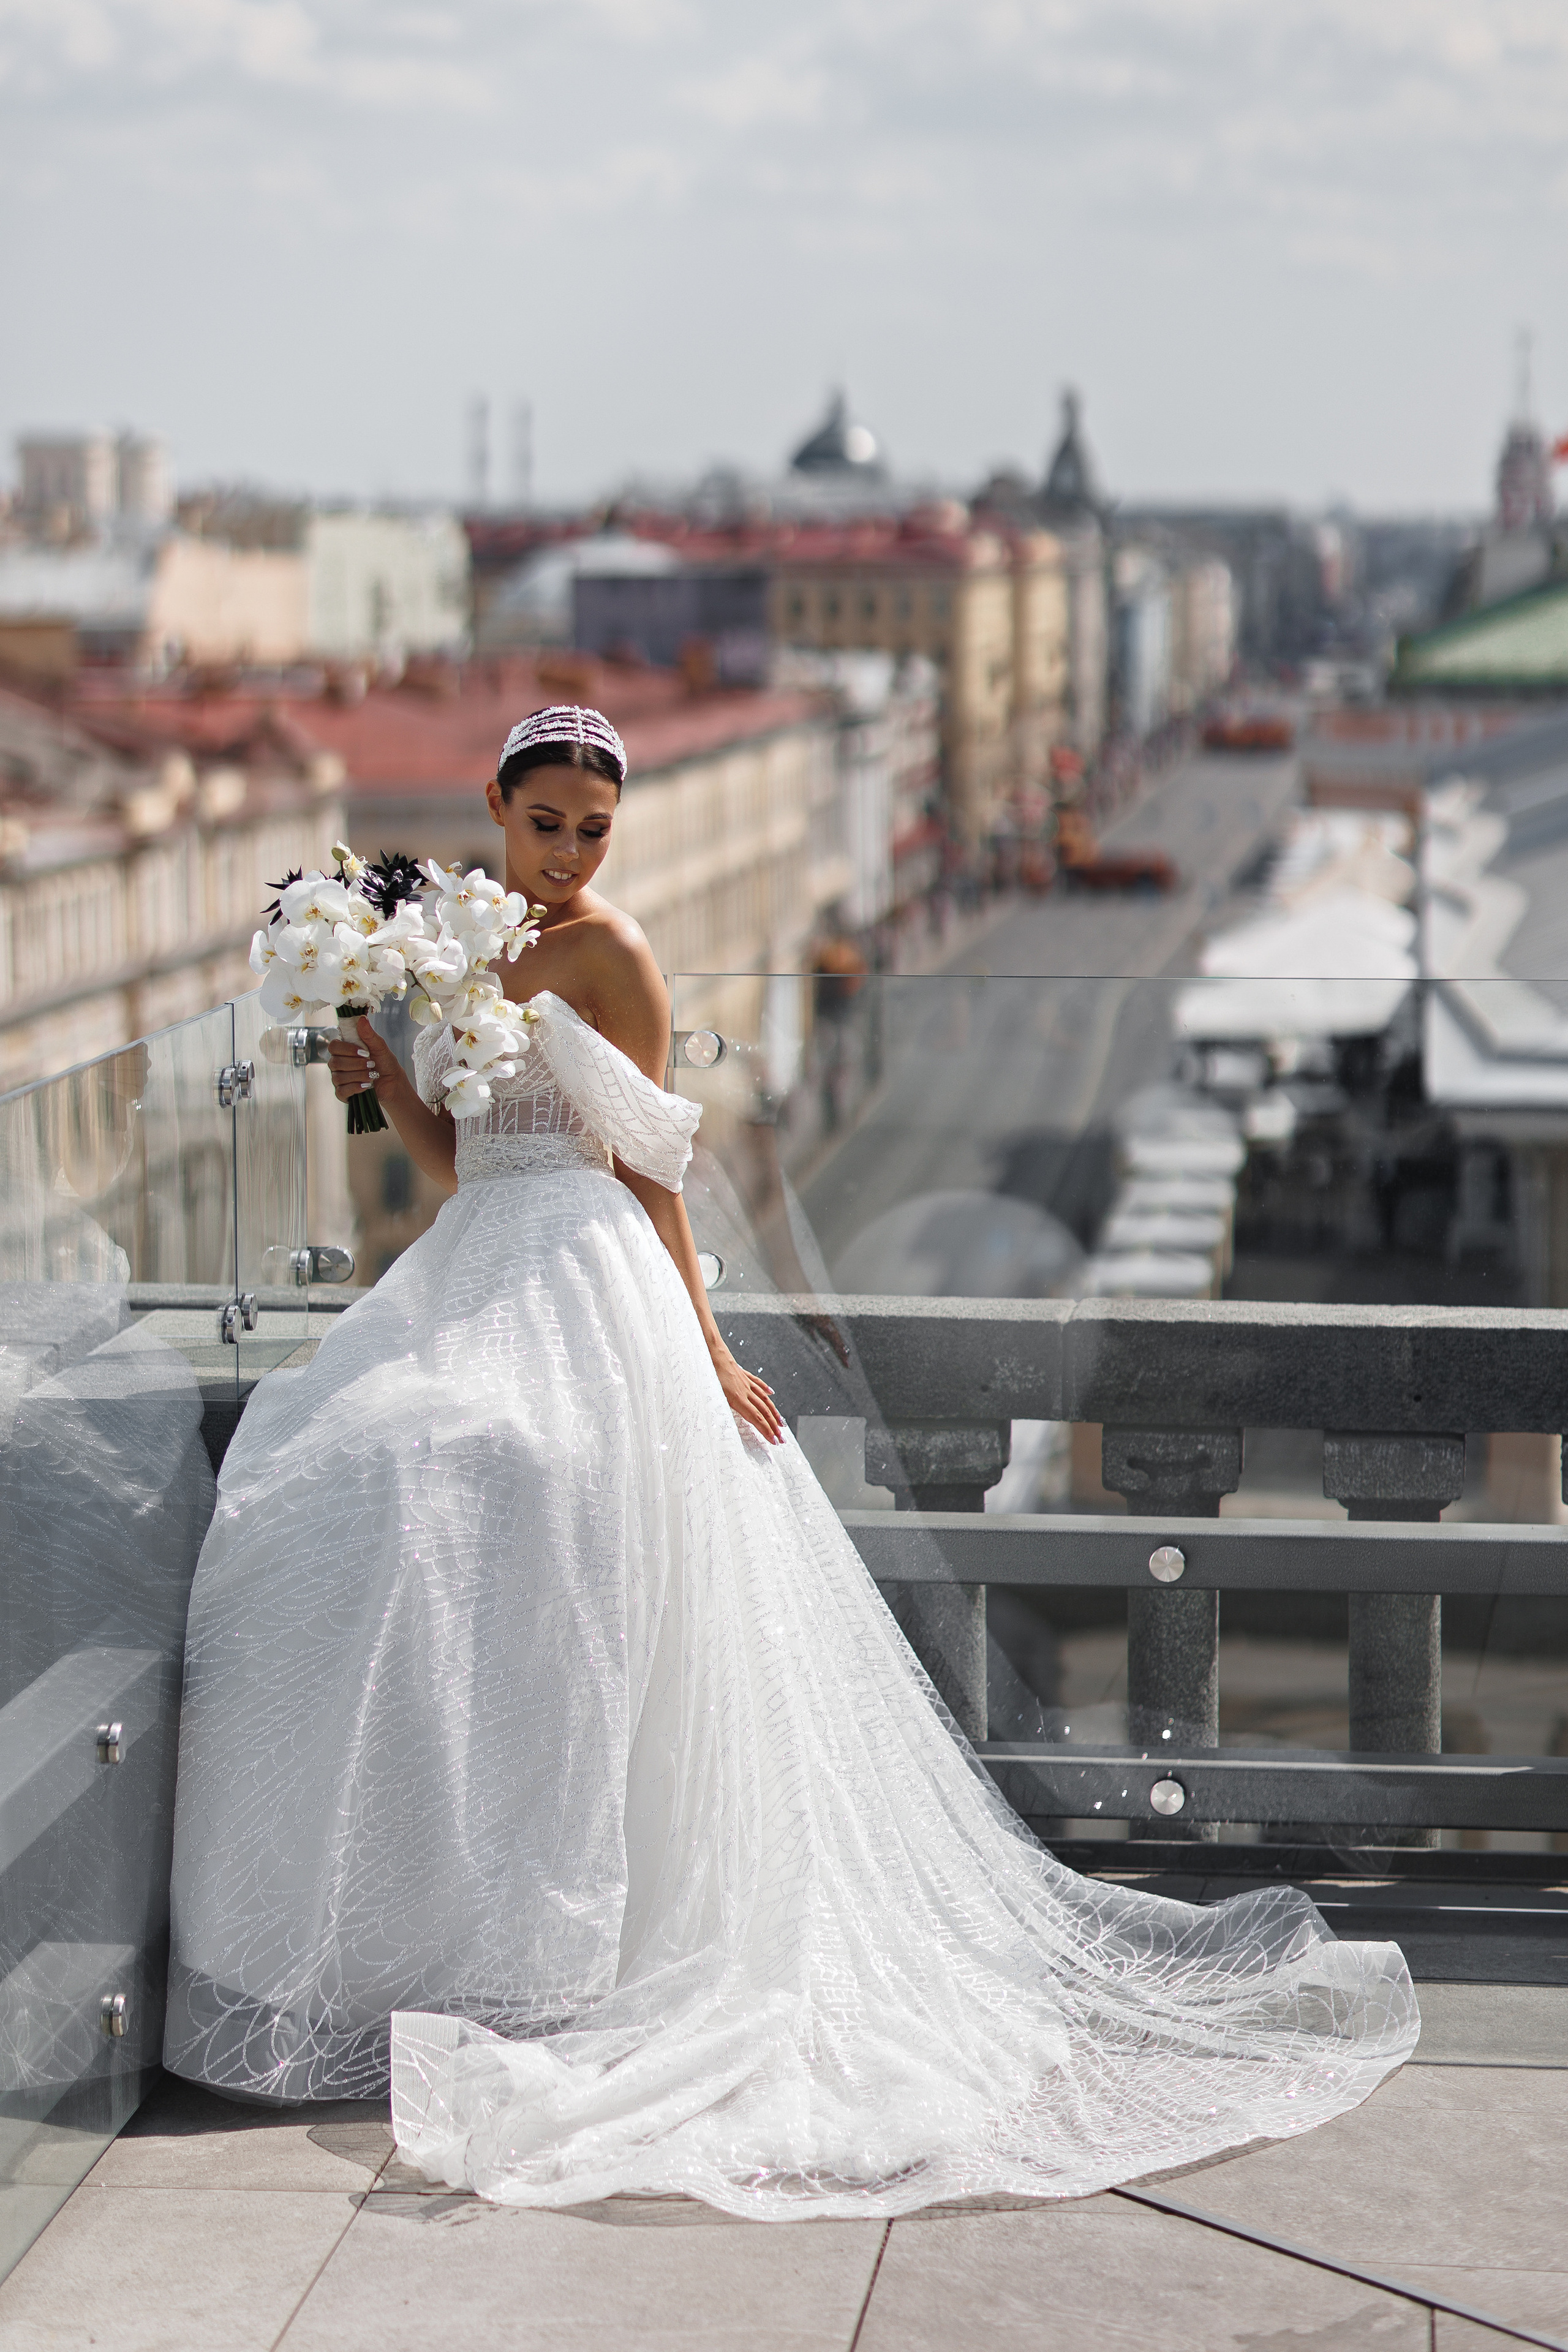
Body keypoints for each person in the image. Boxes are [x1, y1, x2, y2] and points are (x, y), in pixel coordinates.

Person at [166, 704, 1418, 2220]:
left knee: (486, 1478)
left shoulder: (611, 954)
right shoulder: (448, 941)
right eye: (546, 822)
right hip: (469, 1256)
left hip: (584, 1271)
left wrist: (701, 1348)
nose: (568, 853)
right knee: (340, 1468)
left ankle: (543, 1940)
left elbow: (653, 1172)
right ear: (494, 808)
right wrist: (366, 1043)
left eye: (592, 829)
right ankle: (396, 1932)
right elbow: (451, 1156)